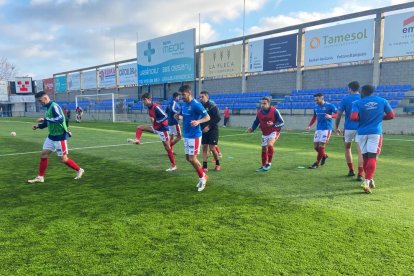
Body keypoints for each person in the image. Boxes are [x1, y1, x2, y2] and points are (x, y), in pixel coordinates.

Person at [28, 92, 84, 183]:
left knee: (63, 159)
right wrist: (39, 126)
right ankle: (40, 177)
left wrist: (45, 119)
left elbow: (60, 119)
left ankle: (79, 170)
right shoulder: (47, 108)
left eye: (40, 100)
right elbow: (48, 122)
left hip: (60, 137)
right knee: (44, 154)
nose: (39, 103)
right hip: (51, 136)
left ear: (45, 98)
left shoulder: (54, 106)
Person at [350, 84, 394, 193]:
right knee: (372, 157)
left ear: (362, 92)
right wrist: (381, 117)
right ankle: (367, 181)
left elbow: (353, 117)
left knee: (365, 157)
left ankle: (369, 179)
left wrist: (362, 119)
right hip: (375, 132)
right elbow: (391, 115)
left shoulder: (357, 103)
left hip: (361, 133)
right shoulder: (382, 101)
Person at [127, 93, 176, 172]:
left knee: (167, 148)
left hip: (163, 129)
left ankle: (173, 166)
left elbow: (165, 116)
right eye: (143, 100)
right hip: (156, 127)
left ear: (149, 99)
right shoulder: (149, 108)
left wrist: (156, 121)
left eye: (144, 100)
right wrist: (153, 122)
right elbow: (153, 118)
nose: (143, 102)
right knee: (139, 127)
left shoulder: (156, 107)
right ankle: (137, 140)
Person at [175, 85, 210, 192]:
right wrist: (178, 117)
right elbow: (183, 116)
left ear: (189, 93)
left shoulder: (196, 105)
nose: (182, 97)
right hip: (186, 134)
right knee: (188, 158)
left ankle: (202, 178)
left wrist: (198, 122)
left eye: (183, 95)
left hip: (194, 135)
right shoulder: (184, 104)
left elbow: (207, 117)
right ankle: (203, 175)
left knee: (192, 158)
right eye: (181, 95)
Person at [335, 81, 363, 181]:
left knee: (347, 148)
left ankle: (351, 170)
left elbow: (338, 115)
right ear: (359, 89)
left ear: (350, 89)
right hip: (361, 128)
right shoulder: (363, 98)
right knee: (360, 151)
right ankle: (360, 174)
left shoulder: (345, 99)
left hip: (348, 128)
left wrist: (336, 127)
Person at [247, 97, 284, 172]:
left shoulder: (274, 111)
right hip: (265, 133)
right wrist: (252, 129)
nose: (262, 105)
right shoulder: (259, 112)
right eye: (262, 103)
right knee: (264, 148)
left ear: (269, 104)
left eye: (264, 103)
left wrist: (273, 124)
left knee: (270, 144)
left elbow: (282, 122)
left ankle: (269, 163)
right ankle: (263, 165)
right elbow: (256, 122)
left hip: (274, 131)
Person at [306, 93, 338, 169]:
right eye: (315, 100)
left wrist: (331, 116)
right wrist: (309, 125)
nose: (316, 101)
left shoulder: (330, 105)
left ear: (322, 98)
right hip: (318, 129)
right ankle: (324, 156)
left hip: (326, 129)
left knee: (321, 147)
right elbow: (314, 117)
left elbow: (338, 114)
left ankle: (316, 163)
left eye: (317, 99)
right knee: (316, 147)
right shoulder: (316, 107)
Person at [199, 91, 221, 172]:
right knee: (204, 147)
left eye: (202, 97)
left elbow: (218, 118)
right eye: (200, 97)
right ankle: (205, 166)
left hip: (212, 129)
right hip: (203, 130)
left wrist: (208, 126)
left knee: (212, 148)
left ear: (207, 97)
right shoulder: (199, 105)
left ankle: (218, 164)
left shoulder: (212, 105)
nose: (201, 98)